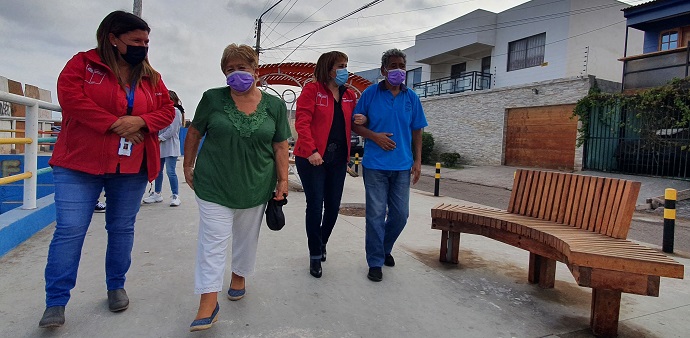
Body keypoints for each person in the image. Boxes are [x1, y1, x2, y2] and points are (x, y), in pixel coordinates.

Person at [38, 11, 175, 328]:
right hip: (79, 164)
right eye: (136, 40)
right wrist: (115, 124)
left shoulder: (150, 76)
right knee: (70, 229)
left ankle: (116, 285)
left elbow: (167, 109)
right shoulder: (83, 65)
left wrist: (140, 121)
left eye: (146, 41)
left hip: (131, 166)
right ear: (113, 38)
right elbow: (71, 100)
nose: (143, 46)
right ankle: (55, 302)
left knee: (121, 228)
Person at [183, 43, 290, 332]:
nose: (236, 74)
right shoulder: (212, 99)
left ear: (256, 71)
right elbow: (194, 132)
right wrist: (188, 165)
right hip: (214, 182)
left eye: (242, 68)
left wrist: (282, 180)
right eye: (229, 69)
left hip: (256, 182)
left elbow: (281, 145)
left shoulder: (275, 106)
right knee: (213, 241)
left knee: (245, 237)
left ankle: (239, 275)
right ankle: (208, 300)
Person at [352, 48, 428, 282]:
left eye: (402, 66)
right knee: (375, 214)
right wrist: (375, 137)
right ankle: (375, 261)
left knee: (401, 215)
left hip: (402, 166)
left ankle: (384, 247)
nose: (398, 70)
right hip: (375, 165)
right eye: (393, 66)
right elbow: (355, 125)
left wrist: (417, 160)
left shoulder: (411, 97)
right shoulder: (370, 94)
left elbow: (417, 130)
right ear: (384, 70)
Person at [293, 51, 365, 278]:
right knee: (315, 205)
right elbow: (302, 122)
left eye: (346, 65)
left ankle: (322, 241)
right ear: (328, 68)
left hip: (337, 159)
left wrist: (363, 120)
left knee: (333, 206)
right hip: (312, 158)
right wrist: (312, 150)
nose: (344, 70)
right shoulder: (312, 91)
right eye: (340, 66)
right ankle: (315, 255)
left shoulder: (349, 95)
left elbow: (353, 123)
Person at [142, 90, 184, 206]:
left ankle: (175, 195)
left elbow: (173, 129)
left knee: (171, 171)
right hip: (159, 145)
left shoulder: (176, 111)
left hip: (170, 146)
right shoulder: (160, 111)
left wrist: (159, 138)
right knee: (158, 171)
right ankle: (157, 193)